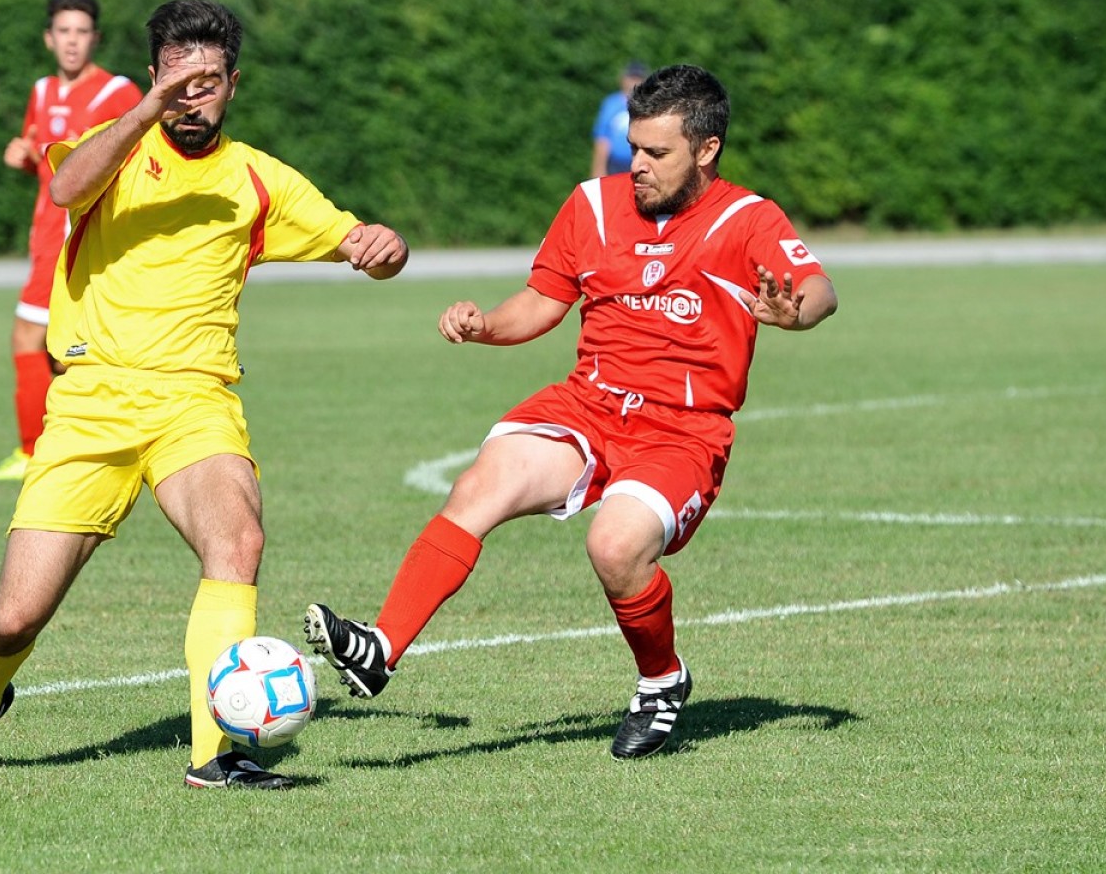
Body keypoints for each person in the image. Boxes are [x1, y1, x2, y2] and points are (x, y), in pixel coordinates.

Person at [0, 0, 409, 789]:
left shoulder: (257, 177)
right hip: (90, 404)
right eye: (177, 76)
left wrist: (383, 248)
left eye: (208, 80)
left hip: (195, 403)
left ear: (234, 86)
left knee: (236, 542)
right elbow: (67, 186)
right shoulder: (109, 152)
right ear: (153, 76)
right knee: (13, 619)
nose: (192, 94)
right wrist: (147, 108)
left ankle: (218, 756)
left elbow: (359, 242)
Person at [305, 64, 837, 761]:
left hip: (681, 429)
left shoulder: (747, 218)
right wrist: (485, 323)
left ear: (706, 151)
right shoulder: (590, 205)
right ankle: (381, 647)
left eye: (656, 153)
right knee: (480, 486)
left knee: (614, 547)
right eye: (633, 147)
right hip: (588, 404)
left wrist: (792, 313)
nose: (636, 165)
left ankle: (661, 680)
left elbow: (819, 288)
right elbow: (542, 304)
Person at [0, 0, 144, 483]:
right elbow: (49, 167)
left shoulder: (118, 94)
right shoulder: (43, 91)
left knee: (34, 339)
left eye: (82, 32)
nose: (73, 42)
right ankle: (84, 451)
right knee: (66, 349)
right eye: (64, 32)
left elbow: (127, 163)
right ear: (50, 38)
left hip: (75, 240)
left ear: (96, 38)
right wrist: (25, 159)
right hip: (45, 236)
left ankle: (36, 453)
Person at [589, 59, 650, 178]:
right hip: (614, 166)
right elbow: (602, 139)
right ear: (623, 79)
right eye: (631, 78)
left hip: (640, 162)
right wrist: (598, 168)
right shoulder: (611, 104)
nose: (634, 82)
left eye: (638, 78)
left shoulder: (649, 105)